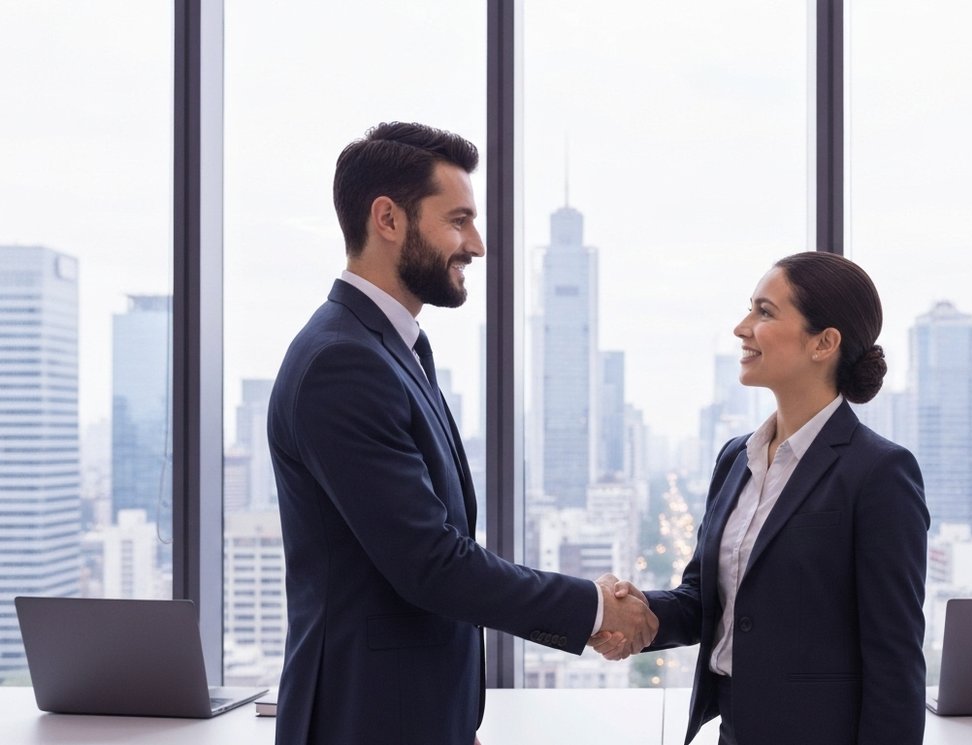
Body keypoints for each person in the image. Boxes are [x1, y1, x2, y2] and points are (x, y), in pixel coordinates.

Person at [267, 122, 656, 745]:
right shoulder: (342, 363)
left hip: (410, 715)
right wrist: (593, 607)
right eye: (458, 220)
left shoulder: (388, 349)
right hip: (364, 720)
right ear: (388, 219)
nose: (476, 244)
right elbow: (430, 564)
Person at [592, 252, 930, 745]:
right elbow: (705, 601)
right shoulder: (736, 459)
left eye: (764, 312)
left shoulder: (879, 473)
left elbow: (894, 659)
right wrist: (631, 613)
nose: (741, 328)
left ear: (824, 343)